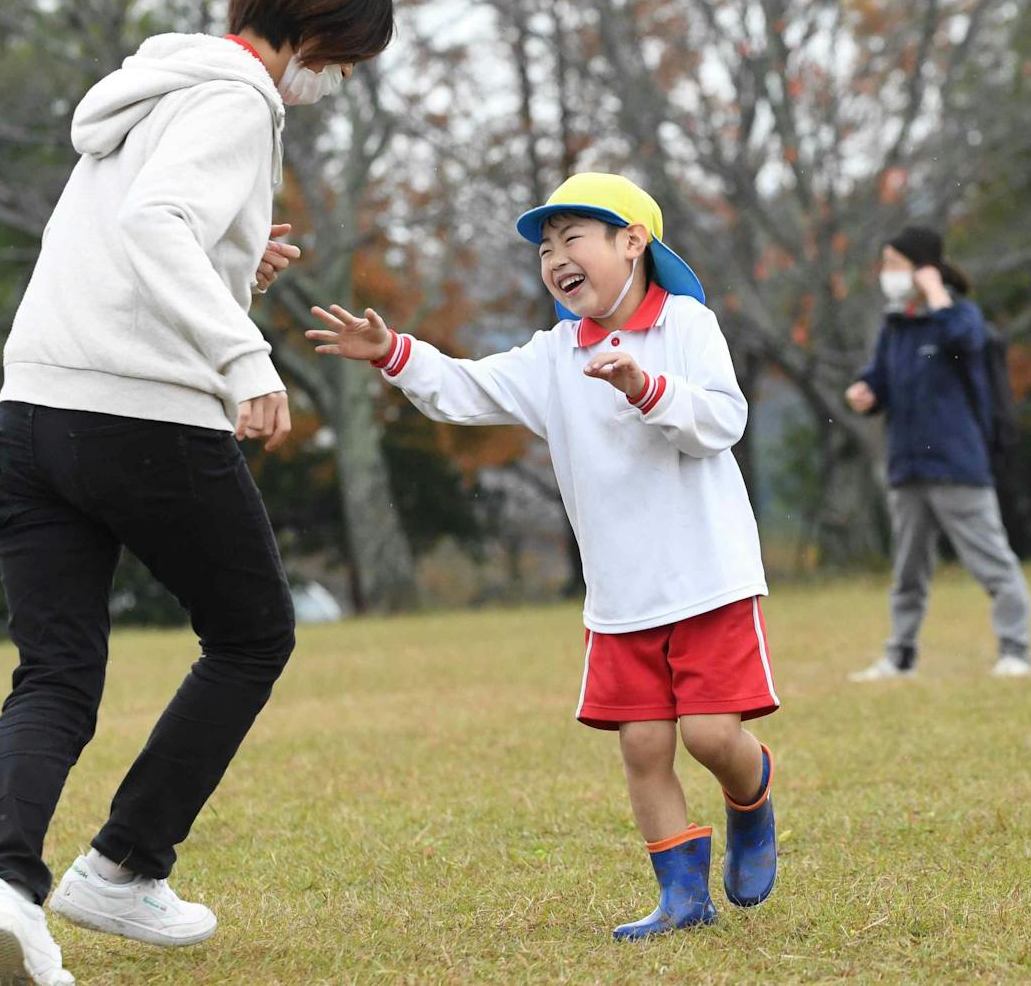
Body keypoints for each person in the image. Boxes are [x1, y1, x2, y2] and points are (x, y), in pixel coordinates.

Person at [0, 0, 394, 984]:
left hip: (28, 420)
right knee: (252, 633)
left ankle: (8, 893)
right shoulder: (240, 98)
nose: (334, 82)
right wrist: (245, 358)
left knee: (54, 674)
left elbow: (137, 235)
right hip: (138, 421)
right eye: (344, 61)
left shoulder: (151, 90)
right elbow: (157, 224)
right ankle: (121, 865)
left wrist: (237, 256)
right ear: (322, 30)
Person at [306, 172, 780, 940]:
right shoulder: (554, 355)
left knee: (710, 735)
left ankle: (751, 802)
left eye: (574, 237)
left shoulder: (689, 325)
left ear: (633, 243)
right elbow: (462, 389)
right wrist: (392, 351)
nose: (557, 256)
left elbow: (722, 420)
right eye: (546, 246)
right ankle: (682, 898)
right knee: (644, 745)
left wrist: (645, 386)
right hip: (621, 597)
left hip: (709, 580)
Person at [844, 226, 1031, 682]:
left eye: (894, 263)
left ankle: (1015, 650)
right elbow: (880, 381)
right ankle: (900, 656)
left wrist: (936, 294)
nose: (886, 273)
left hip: (957, 468)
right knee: (908, 575)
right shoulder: (897, 327)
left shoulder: (960, 317)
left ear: (924, 268)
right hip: (907, 468)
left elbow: (966, 341)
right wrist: (865, 392)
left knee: (994, 564)